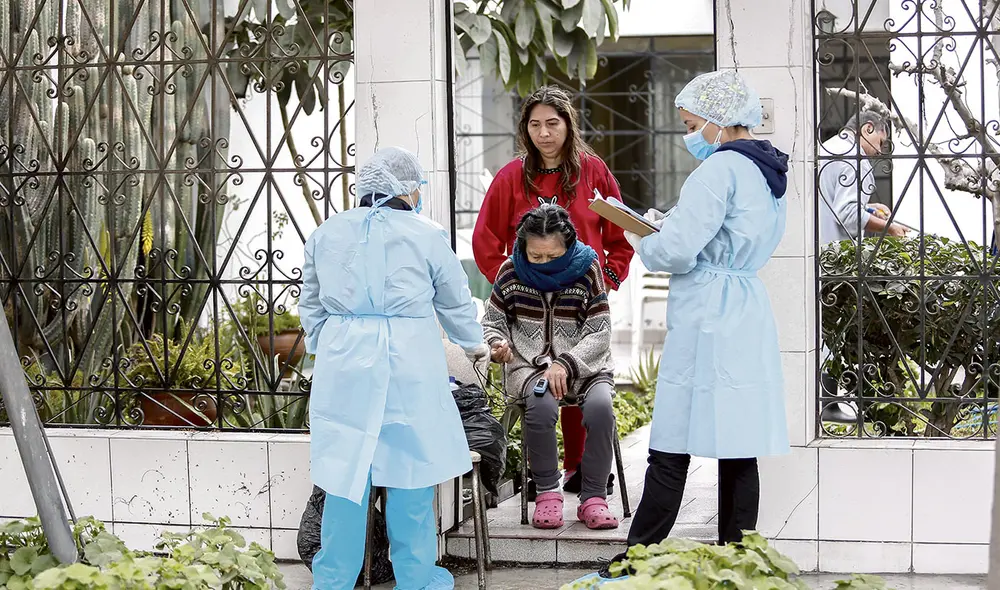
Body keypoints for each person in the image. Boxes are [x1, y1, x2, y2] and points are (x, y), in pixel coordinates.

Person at [601, 70, 790, 577]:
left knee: (672, 438)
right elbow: (723, 235)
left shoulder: (718, 170)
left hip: (708, 311)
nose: (688, 134)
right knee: (738, 444)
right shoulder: (768, 172)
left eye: (690, 124)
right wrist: (672, 226)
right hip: (744, 307)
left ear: (716, 118)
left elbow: (678, 252)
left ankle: (638, 556)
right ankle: (739, 558)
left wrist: (644, 234)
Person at [299, 147, 490, 590]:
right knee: (411, 475)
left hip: (345, 362)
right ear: (408, 188)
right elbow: (455, 301)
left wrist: (329, 344)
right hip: (409, 362)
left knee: (345, 477)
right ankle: (416, 578)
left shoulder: (327, 233)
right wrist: (474, 344)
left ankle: (333, 580)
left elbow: (311, 303)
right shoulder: (427, 234)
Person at [473, 85, 633, 496]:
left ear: (568, 124)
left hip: (581, 301)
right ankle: (541, 476)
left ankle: (582, 469)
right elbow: (485, 239)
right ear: (525, 129)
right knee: (538, 387)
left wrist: (606, 279)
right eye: (535, 125)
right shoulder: (511, 177)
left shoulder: (593, 172)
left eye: (552, 123)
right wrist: (512, 286)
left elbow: (620, 235)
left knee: (581, 377)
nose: (544, 133)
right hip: (529, 308)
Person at [481, 204, 619, 530]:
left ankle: (594, 498)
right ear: (523, 247)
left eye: (553, 256)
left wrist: (566, 363)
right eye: (536, 256)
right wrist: (498, 345)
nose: (543, 263)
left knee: (601, 409)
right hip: (530, 367)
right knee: (540, 405)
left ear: (568, 246)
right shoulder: (510, 272)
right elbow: (493, 322)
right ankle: (546, 493)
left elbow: (599, 331)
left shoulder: (588, 270)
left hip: (586, 366)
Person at [818, 110, 907, 244]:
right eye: (880, 142)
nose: (879, 151)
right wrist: (890, 228)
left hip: (811, 246)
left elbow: (831, 201)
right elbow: (848, 214)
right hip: (832, 250)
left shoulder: (826, 148)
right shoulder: (856, 159)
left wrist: (867, 207)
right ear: (867, 129)